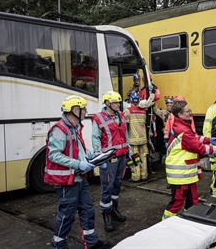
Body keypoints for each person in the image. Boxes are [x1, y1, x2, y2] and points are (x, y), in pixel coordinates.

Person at [44, 95, 110, 249]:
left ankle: (91, 243)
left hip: (79, 179)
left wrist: (95, 156)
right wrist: (78, 164)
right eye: (84, 109)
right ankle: (58, 246)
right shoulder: (60, 129)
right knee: (66, 215)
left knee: (87, 211)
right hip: (67, 182)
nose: (86, 112)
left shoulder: (74, 127)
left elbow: (79, 151)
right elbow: (54, 155)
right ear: (75, 110)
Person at [162, 100, 216, 220]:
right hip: (180, 175)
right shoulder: (183, 130)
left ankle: (188, 220)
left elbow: (194, 138)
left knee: (193, 200)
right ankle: (165, 224)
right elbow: (199, 148)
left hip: (186, 174)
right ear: (180, 114)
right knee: (177, 203)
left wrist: (208, 139)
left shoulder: (182, 125)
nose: (190, 113)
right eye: (187, 111)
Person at [91, 91, 131, 232]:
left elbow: (125, 134)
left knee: (117, 184)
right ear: (107, 103)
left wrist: (130, 151)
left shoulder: (121, 116)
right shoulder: (99, 118)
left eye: (119, 102)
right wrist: (99, 157)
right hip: (109, 158)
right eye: (115, 102)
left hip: (121, 156)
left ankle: (114, 209)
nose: (118, 104)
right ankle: (106, 214)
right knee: (107, 186)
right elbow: (95, 138)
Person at [124, 92, 155, 183]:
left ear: (131, 100)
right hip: (143, 139)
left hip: (132, 139)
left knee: (133, 157)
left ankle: (135, 177)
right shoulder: (144, 111)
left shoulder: (128, 111)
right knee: (143, 157)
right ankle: (144, 176)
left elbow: (123, 124)